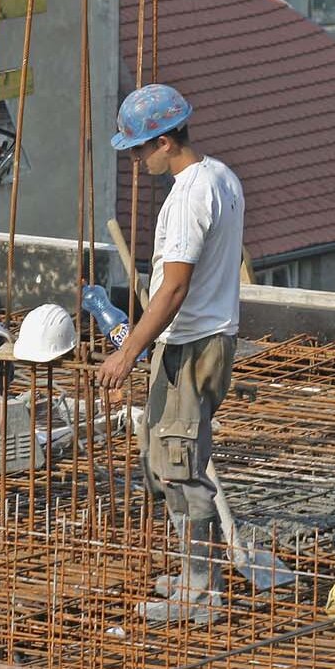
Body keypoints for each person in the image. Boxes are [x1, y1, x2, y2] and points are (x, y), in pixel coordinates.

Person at [98, 83, 246, 627]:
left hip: (192, 342)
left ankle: (204, 593)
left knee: (181, 465)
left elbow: (175, 289)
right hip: (193, 340)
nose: (135, 162)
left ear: (165, 141)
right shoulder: (221, 176)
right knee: (161, 457)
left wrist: (127, 352)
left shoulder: (188, 197)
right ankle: (192, 572)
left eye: (139, 150)